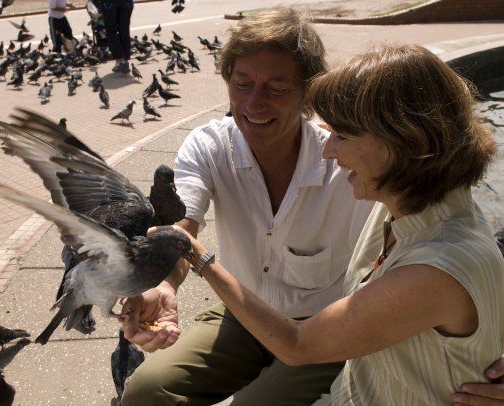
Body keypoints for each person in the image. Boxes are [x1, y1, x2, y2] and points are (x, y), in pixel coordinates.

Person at [120, 6, 504, 406]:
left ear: (404, 143)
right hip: (249, 314)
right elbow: (183, 222)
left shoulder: (385, 203)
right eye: (242, 83)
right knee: (148, 391)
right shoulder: (399, 202)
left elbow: (469, 267)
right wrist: (163, 282)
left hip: (325, 330)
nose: (329, 148)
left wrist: (201, 259)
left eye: (344, 134)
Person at [99, 0, 134, 73]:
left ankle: (120, 60)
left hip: (110, 3)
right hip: (126, 2)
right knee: (124, 30)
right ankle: (125, 60)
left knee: (111, 31)